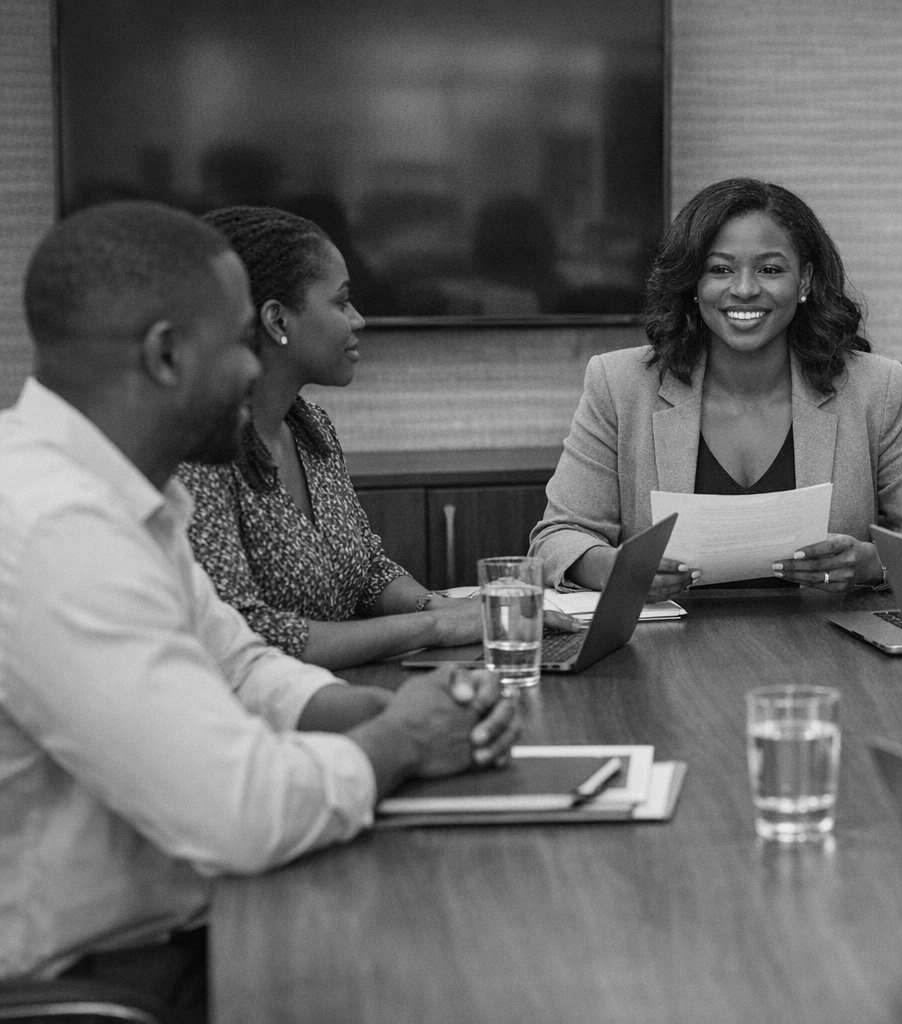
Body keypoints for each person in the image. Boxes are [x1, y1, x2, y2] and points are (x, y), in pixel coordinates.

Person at [0, 202, 518, 1020]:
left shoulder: (126, 492)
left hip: (178, 927)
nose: (254, 370)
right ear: (167, 355)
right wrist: (405, 738)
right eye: (239, 342)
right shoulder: (56, 529)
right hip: (88, 983)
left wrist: (375, 709)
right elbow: (238, 814)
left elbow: (237, 661)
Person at [529, 177, 902, 597]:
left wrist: (876, 564)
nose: (744, 289)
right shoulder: (620, 384)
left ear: (804, 280)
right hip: (663, 651)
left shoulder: (871, 387)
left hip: (829, 652)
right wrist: (616, 568)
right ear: (692, 282)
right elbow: (557, 539)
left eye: (770, 270)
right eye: (720, 269)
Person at [177, 207, 484, 670]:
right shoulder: (201, 454)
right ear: (278, 321)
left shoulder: (311, 428)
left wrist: (443, 608)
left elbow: (366, 572)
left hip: (347, 690)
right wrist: (434, 628)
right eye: (341, 303)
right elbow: (246, 634)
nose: (358, 320)